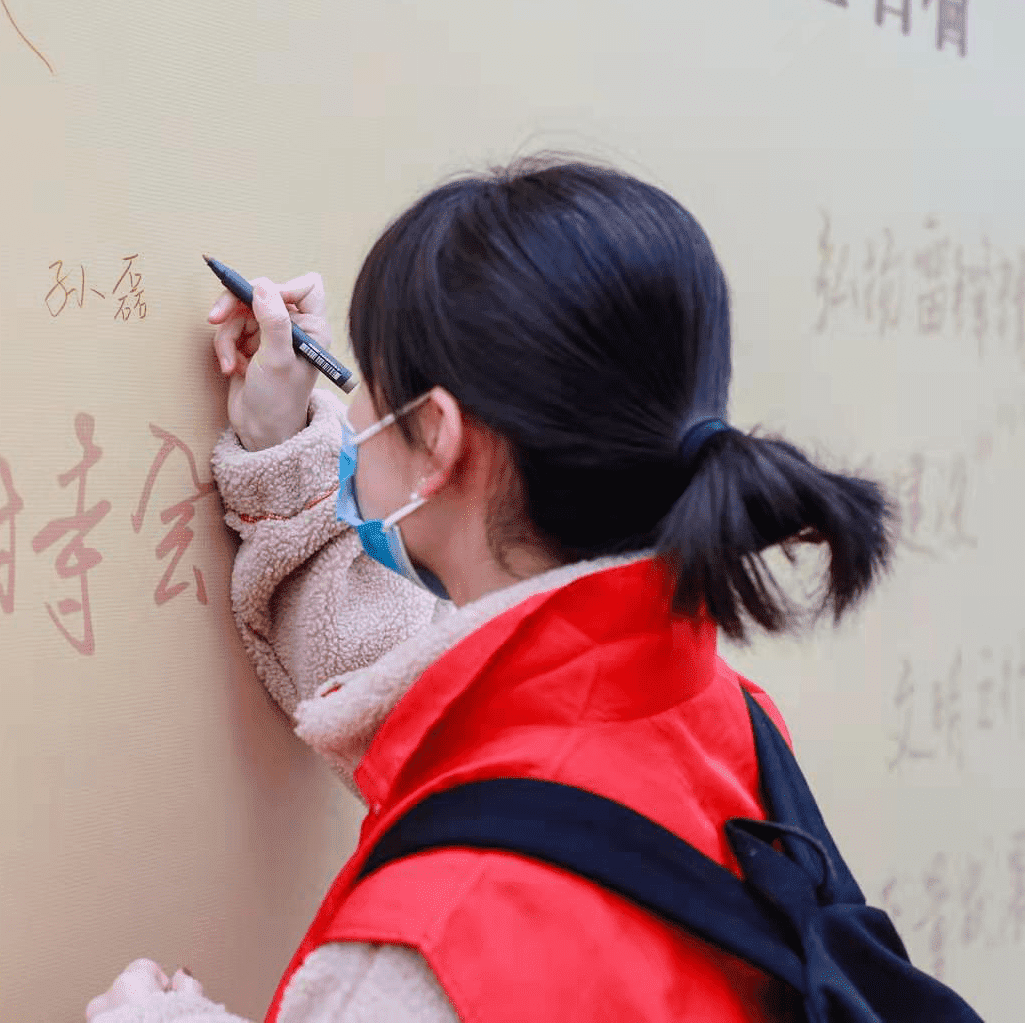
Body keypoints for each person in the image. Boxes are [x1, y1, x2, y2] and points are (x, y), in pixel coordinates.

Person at [84, 156, 892, 1022]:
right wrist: (288, 452)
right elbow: (411, 691)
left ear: (436, 435)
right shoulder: (710, 716)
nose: (354, 417)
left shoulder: (429, 948)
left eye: (373, 386)